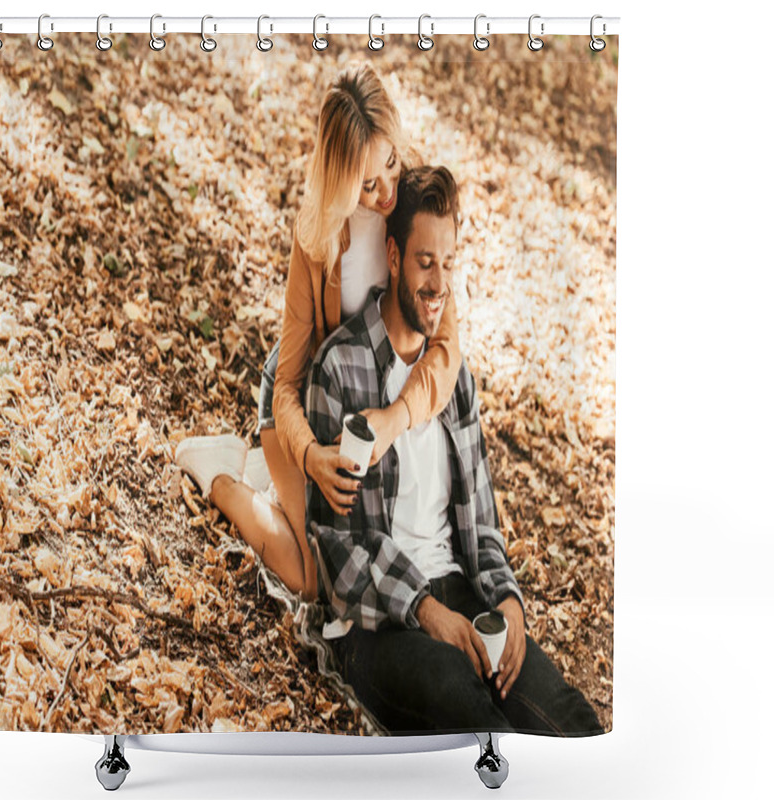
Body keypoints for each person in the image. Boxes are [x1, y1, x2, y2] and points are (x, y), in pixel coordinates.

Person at [305, 166, 603, 735]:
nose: (439, 282)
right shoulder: (341, 369)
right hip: (379, 626)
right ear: (393, 258)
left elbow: (481, 527)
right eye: (424, 262)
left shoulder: (453, 379)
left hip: (463, 595)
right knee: (475, 717)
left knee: (565, 716)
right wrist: (426, 611)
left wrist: (509, 604)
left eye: (448, 262)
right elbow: (338, 551)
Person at [174, 63, 461, 601]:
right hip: (303, 407)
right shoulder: (318, 236)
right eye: (367, 185)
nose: (386, 194)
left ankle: (277, 483)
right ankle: (221, 475)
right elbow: (286, 384)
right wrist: (309, 456)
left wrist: (398, 418)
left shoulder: (415, 198)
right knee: (312, 582)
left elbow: (446, 347)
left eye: (392, 166)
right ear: (341, 181)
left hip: (375, 413)